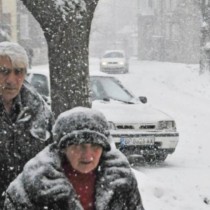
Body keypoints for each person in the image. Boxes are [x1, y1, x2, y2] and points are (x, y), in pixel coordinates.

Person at [4, 107, 145, 210]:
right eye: (79, 146)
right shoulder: (32, 185)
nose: (88, 155)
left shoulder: (121, 180)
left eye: (96, 146)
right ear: (63, 148)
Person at [0, 41, 54, 208]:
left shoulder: (40, 112)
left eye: (19, 72)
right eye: (3, 71)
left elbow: (54, 161)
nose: (11, 79)